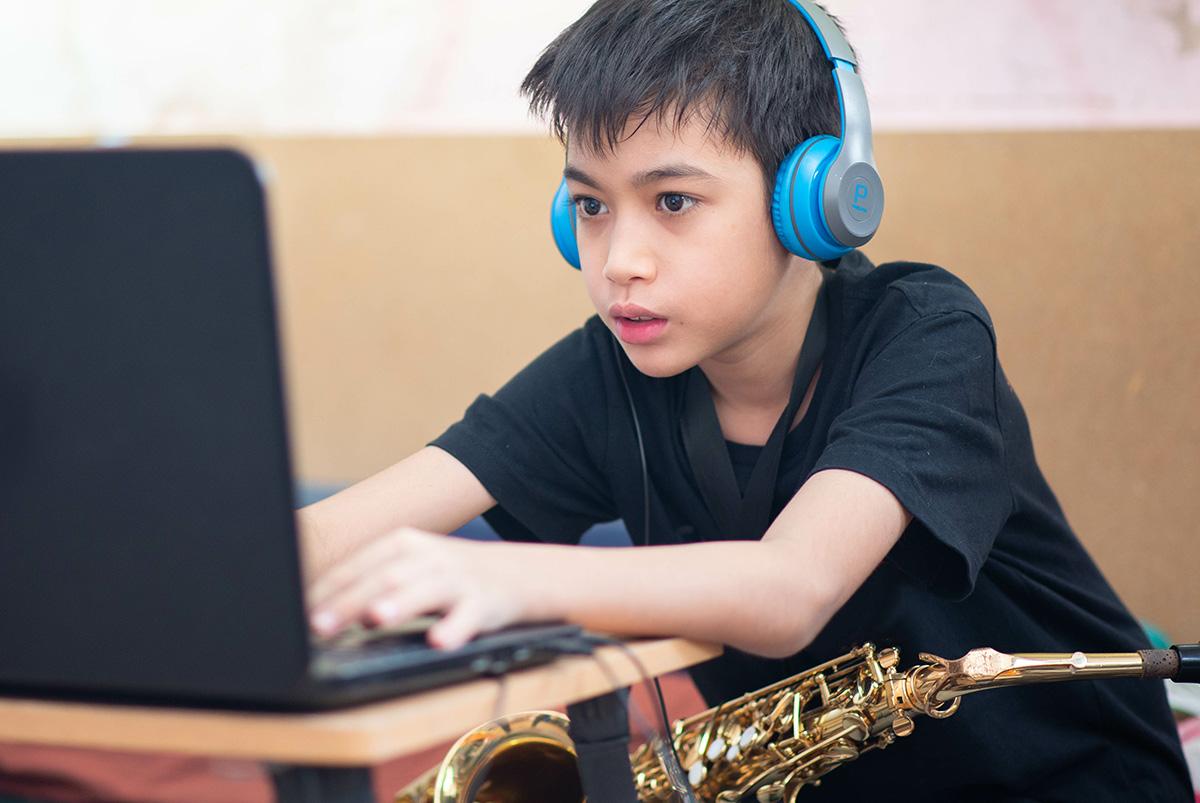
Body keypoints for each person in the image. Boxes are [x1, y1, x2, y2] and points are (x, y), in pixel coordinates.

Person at [301, 1, 1192, 799]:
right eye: (590, 206)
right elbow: (339, 530)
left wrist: (499, 577)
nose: (618, 261)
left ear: (814, 200)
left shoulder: (923, 333)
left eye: (674, 200)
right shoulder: (611, 367)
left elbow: (789, 589)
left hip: (1074, 779)